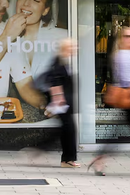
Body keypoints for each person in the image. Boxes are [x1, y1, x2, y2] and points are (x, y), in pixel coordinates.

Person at [89, 27, 130, 178]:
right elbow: (128, 78)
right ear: (123, 38)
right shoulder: (123, 55)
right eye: (129, 36)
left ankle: (99, 158)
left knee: (120, 134)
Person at [15, 0, 67, 83]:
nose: (26, 3)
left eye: (36, 0)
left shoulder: (62, 38)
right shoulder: (3, 36)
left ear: (45, 10)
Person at [47, 38, 80, 168]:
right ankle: (67, 160)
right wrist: (58, 100)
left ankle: (67, 159)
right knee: (69, 129)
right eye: (72, 47)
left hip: (65, 103)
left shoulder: (64, 61)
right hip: (62, 104)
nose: (74, 49)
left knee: (67, 130)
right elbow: (54, 81)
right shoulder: (59, 62)